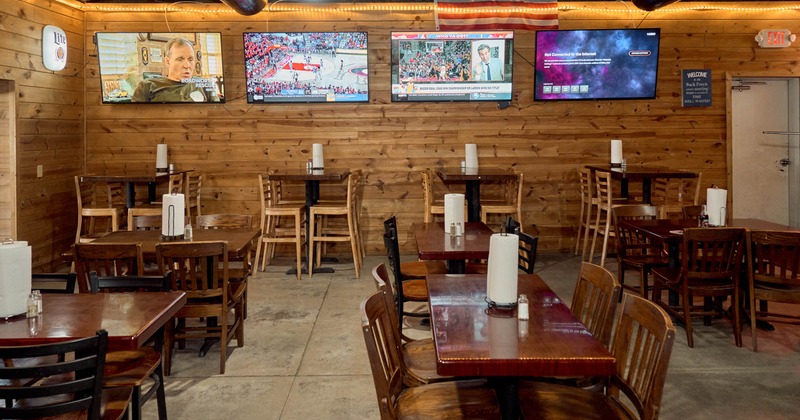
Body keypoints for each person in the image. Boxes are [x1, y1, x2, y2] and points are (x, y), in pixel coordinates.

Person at [131, 37, 220, 103]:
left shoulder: (204, 84)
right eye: (180, 59)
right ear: (167, 61)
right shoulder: (147, 86)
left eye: (190, 59)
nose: (187, 65)